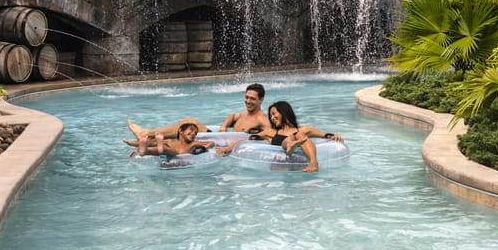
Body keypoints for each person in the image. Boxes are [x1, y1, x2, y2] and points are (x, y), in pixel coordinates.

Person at [217, 100, 343, 173]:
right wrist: (227, 149)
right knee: (291, 139)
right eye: (270, 115)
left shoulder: (303, 130)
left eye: (274, 114)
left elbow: (324, 134)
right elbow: (246, 140)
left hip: (297, 167)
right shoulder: (271, 133)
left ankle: (313, 162)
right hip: (279, 168)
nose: (272, 118)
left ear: (283, 112)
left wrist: (333, 136)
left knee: (299, 135)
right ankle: (289, 146)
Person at [126, 83, 271, 141]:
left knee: (189, 123)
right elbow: (233, 116)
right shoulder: (244, 113)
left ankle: (145, 134)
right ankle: (147, 137)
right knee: (187, 123)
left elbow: (269, 134)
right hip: (219, 137)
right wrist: (224, 126)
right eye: (246, 97)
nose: (248, 101)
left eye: (252, 99)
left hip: (223, 143)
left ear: (261, 100)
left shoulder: (262, 119)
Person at [125, 122, 214, 157]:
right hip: (168, 152)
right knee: (157, 148)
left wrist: (207, 146)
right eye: (191, 131)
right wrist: (138, 148)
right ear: (181, 131)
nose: (193, 133)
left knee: (167, 149)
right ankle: (144, 151)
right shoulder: (171, 141)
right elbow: (152, 143)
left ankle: (158, 147)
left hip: (174, 153)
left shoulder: (193, 144)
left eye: (195, 133)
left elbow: (211, 142)